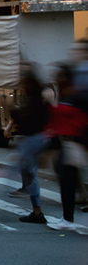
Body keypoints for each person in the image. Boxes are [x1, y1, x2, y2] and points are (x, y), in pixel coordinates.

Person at [44, 64, 88, 234]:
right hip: (65, 143)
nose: (56, 78)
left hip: (77, 142)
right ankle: (67, 218)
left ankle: (67, 219)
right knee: (66, 181)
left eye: (59, 75)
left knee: (68, 180)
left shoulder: (78, 96)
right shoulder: (60, 95)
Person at [6, 63, 49, 223]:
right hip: (33, 140)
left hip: (33, 140)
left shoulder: (36, 100)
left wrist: (10, 108)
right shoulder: (35, 98)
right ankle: (36, 210)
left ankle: (37, 211)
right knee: (28, 172)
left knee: (29, 174)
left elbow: (27, 121)